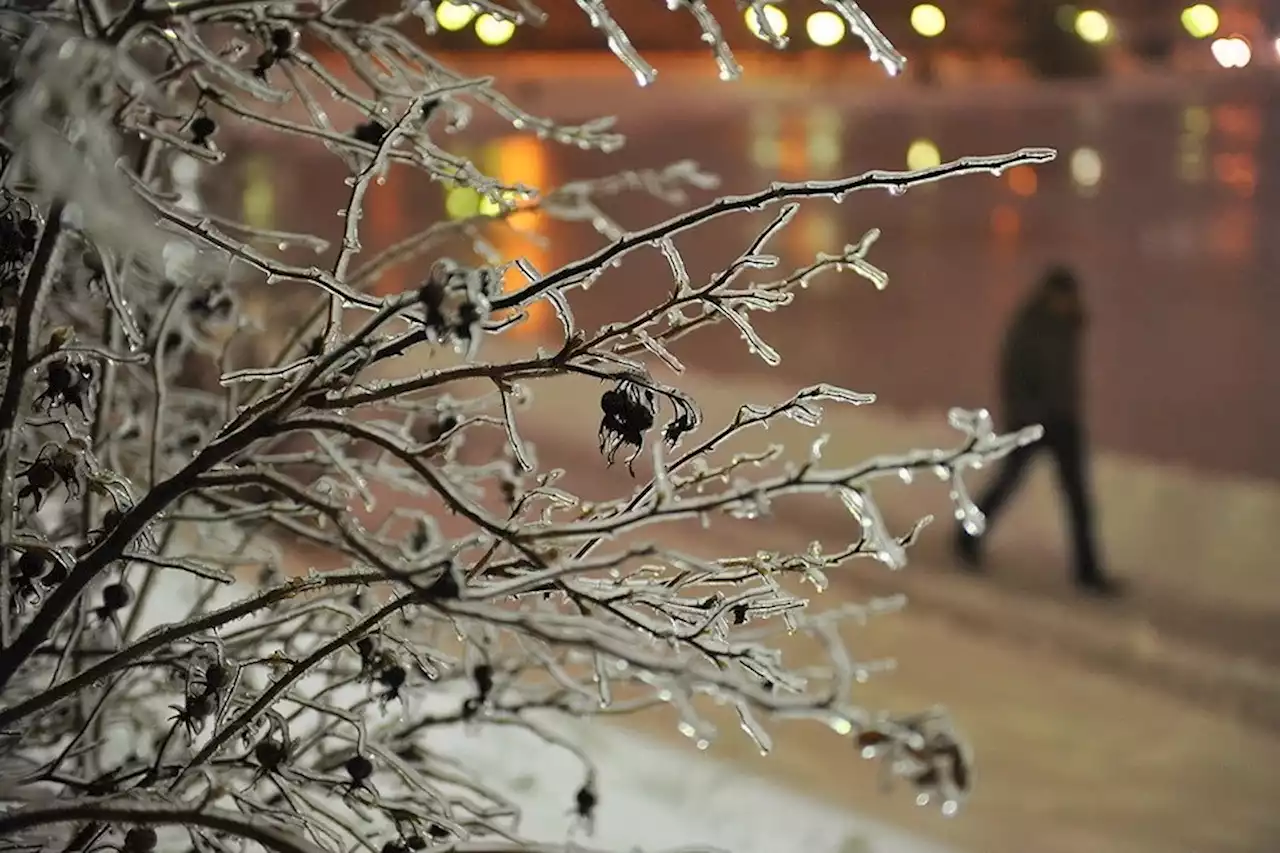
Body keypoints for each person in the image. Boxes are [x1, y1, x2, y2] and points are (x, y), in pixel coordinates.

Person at [954, 265, 1123, 596]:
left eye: (1073, 297)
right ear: (1050, 296)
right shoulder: (1027, 328)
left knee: (1078, 498)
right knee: (1007, 484)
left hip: (1065, 422)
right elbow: (1013, 377)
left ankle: (1088, 571)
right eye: (1065, 297)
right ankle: (966, 538)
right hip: (1031, 422)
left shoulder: (1070, 328)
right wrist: (1025, 416)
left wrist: (1070, 413)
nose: (1070, 303)